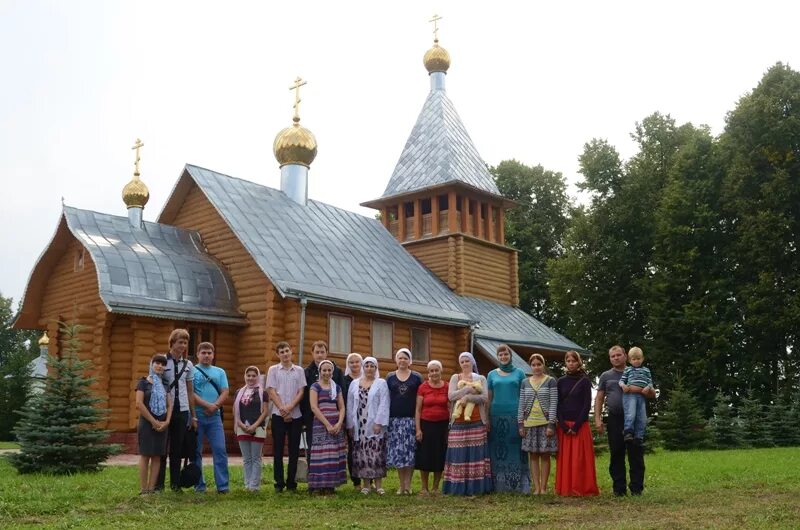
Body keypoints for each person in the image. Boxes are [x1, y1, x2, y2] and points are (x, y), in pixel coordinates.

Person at [595, 345, 656, 496]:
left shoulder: (637, 370)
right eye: (612, 356)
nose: (615, 358)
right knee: (616, 452)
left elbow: (653, 394)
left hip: (634, 419)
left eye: (618, 355)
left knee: (635, 452)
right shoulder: (606, 376)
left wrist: (644, 390)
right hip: (615, 418)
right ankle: (619, 489)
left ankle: (636, 489)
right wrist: (597, 419)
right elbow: (599, 398)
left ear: (625, 356)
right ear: (610, 358)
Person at [442, 352, 493, 496]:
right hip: (457, 422)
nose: (465, 363)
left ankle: (476, 487)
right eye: (462, 361)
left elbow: (484, 398)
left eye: (467, 361)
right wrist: (467, 390)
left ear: (472, 362)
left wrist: (468, 398)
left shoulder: (481, 378)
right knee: (458, 454)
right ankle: (456, 488)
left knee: (476, 456)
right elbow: (451, 396)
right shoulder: (455, 378)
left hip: (477, 421)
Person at [156, 328, 196, 493]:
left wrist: (193, 416)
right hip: (166, 410)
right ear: (172, 343)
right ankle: (158, 484)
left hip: (182, 409)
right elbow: (156, 385)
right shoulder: (162, 361)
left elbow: (190, 390)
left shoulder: (188, 364)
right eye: (180, 342)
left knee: (177, 449)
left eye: (185, 343)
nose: (183, 345)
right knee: (162, 448)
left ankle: (175, 484)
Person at [487, 344, 530, 494]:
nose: (503, 357)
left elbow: (524, 396)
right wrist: (486, 417)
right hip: (496, 416)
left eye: (506, 354)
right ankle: (498, 485)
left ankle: (520, 485)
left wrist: (524, 418)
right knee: (497, 450)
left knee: (516, 450)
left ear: (510, 356)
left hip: (515, 416)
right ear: (497, 357)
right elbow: (489, 397)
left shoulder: (519, 373)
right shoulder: (491, 374)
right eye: (500, 355)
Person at [555, 350, 598, 496]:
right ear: (565, 363)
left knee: (580, 459)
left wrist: (577, 425)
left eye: (573, 361)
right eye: (568, 361)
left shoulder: (585, 380)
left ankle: (582, 487)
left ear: (579, 362)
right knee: (566, 460)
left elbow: (587, 405)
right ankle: (566, 487)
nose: (571, 363)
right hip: (564, 426)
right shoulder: (560, 381)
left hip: (580, 426)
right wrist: (563, 425)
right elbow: (557, 404)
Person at [266, 341, 306, 493]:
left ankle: (291, 483)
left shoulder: (299, 371)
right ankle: (279, 483)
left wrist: (290, 407)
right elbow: (271, 390)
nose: (285, 354)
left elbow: (301, 391)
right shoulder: (273, 370)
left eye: (287, 350)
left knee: (294, 450)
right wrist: (283, 408)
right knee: (278, 450)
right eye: (281, 351)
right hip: (278, 415)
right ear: (278, 354)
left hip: (296, 415)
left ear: (291, 351)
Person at [346, 356, 389, 495]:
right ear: (363, 368)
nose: (369, 368)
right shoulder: (354, 383)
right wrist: (350, 424)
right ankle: (366, 485)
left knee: (376, 454)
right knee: (362, 454)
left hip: (374, 423)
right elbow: (350, 404)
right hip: (359, 424)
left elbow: (384, 403)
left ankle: (378, 485)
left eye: (372, 366)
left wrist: (379, 422)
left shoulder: (381, 383)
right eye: (367, 366)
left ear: (376, 368)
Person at [302, 340, 344, 477]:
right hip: (313, 418)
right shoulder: (306, 372)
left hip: (334, 418)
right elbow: (304, 396)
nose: (320, 355)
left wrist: (340, 420)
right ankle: (313, 478)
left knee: (332, 450)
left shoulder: (336, 371)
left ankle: (331, 479)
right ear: (312, 353)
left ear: (326, 353)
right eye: (317, 352)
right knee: (315, 449)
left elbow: (341, 395)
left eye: (322, 352)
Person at [192, 342, 229, 494]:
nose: (206, 355)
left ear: (213, 355)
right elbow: (190, 393)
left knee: (220, 450)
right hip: (197, 417)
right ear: (198, 355)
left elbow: (225, 391)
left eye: (209, 353)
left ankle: (223, 486)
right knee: (196, 452)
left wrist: (215, 406)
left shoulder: (219, 372)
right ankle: (199, 485)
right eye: (203, 353)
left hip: (214, 418)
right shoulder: (191, 371)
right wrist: (207, 405)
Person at [517, 353, 558, 495]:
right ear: (530, 366)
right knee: (533, 455)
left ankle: (544, 487)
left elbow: (553, 403)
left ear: (543, 365)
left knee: (545, 455)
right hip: (529, 423)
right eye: (533, 365)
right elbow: (521, 404)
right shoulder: (525, 382)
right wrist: (520, 424)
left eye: (539, 364)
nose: (536, 367)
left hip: (545, 423)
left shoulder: (550, 381)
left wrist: (551, 424)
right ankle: (537, 487)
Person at [386, 347, 423, 495]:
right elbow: (386, 399)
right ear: (396, 360)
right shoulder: (390, 377)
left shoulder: (416, 377)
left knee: (410, 453)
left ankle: (409, 485)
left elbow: (421, 399)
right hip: (395, 421)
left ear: (410, 361)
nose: (403, 360)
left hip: (411, 420)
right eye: (400, 358)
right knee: (399, 454)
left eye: (405, 358)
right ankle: (401, 485)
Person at [308, 359, 348, 493]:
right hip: (321, 424)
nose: (327, 373)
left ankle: (330, 485)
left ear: (332, 372)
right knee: (321, 455)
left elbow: (342, 407)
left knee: (333, 454)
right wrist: (327, 424)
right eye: (324, 370)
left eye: (329, 370)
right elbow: (314, 407)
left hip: (336, 424)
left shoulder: (336, 387)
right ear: (320, 371)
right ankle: (318, 486)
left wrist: (339, 423)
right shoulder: (315, 387)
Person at [136, 354, 173, 494]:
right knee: (145, 455)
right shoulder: (143, 382)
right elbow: (139, 403)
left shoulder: (165, 384)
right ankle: (143, 489)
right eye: (157, 363)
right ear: (151, 364)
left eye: (163, 364)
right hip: (147, 423)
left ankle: (152, 489)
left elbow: (169, 405)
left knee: (157, 456)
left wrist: (167, 421)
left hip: (162, 424)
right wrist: (153, 421)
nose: (160, 366)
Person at [414, 359, 449, 495]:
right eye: (431, 371)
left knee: (439, 456)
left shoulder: (446, 386)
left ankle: (435, 488)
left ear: (441, 371)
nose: (434, 373)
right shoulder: (423, 387)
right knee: (425, 456)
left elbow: (450, 407)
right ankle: (424, 488)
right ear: (428, 373)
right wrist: (418, 429)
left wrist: (449, 429)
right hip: (426, 425)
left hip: (442, 426)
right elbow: (417, 409)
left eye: (436, 370)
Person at [233, 366, 269, 492]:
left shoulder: (262, 392)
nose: (251, 378)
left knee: (256, 458)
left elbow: (265, 411)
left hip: (258, 428)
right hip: (242, 427)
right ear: (245, 376)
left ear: (257, 377)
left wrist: (255, 425)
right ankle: (247, 484)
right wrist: (241, 425)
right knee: (247, 459)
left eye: (254, 376)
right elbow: (235, 411)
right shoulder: (239, 392)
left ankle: (254, 486)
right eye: (248, 375)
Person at [619, 346, 653, 444]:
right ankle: (628, 432)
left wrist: (648, 387)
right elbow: (621, 381)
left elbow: (650, 382)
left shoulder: (646, 370)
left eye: (638, 359)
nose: (636, 361)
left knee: (642, 417)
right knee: (631, 414)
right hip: (630, 396)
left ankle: (639, 436)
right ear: (630, 360)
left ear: (642, 359)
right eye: (634, 359)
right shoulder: (628, 370)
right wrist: (623, 386)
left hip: (641, 396)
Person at [342, 352, 363, 490]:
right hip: (350, 419)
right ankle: (356, 482)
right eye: (352, 362)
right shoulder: (344, 380)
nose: (354, 364)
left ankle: (370, 479)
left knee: (367, 450)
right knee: (352, 450)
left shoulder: (367, 378)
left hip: (366, 419)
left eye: (357, 362)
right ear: (348, 365)